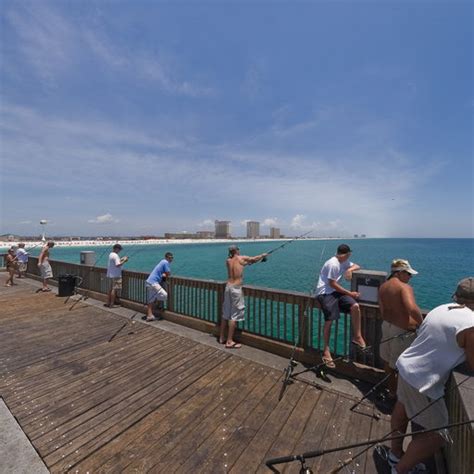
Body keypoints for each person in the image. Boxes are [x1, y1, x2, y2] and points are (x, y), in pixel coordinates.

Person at [389, 277, 474, 474]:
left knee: (401, 410)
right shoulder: (471, 324)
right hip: (422, 381)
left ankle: (395, 454)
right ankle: (400, 470)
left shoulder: (441, 309)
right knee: (438, 436)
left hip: (405, 367)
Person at [315, 243, 366, 367]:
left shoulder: (344, 262)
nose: (349, 257)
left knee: (355, 307)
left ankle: (357, 337)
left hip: (335, 292)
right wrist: (350, 293)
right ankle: (326, 350)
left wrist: (349, 269)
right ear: (347, 254)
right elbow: (332, 284)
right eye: (349, 255)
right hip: (325, 293)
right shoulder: (333, 264)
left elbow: (357, 266)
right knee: (329, 320)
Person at [378, 259, 423, 399]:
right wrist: (422, 323)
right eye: (409, 274)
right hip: (401, 331)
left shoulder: (383, 286)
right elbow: (412, 308)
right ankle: (402, 397)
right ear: (400, 273)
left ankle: (391, 391)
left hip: (386, 326)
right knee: (401, 365)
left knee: (387, 361)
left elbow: (382, 309)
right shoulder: (404, 288)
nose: (410, 277)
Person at [219, 245, 268, 349]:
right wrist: (263, 255)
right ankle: (229, 341)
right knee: (234, 315)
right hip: (236, 288)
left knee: (225, 314)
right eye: (238, 249)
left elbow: (244, 264)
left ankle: (222, 337)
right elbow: (253, 259)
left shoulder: (228, 261)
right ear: (237, 250)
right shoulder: (241, 258)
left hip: (228, 287)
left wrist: (250, 262)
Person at [145, 252, 174, 321]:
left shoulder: (162, 262)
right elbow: (168, 273)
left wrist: (163, 275)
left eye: (172, 258)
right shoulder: (165, 262)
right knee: (164, 295)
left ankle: (149, 315)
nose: (171, 259)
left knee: (150, 300)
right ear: (166, 257)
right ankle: (157, 304)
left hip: (148, 282)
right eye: (170, 258)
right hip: (154, 282)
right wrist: (165, 275)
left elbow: (164, 273)